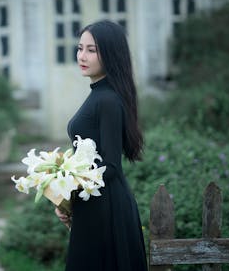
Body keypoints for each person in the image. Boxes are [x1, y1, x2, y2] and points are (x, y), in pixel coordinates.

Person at [55, 20, 148, 271]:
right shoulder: (99, 94)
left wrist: (70, 189)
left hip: (107, 211)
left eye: (91, 50)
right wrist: (66, 196)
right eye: (80, 48)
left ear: (111, 53)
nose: (82, 56)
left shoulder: (107, 100)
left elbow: (111, 166)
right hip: (94, 205)